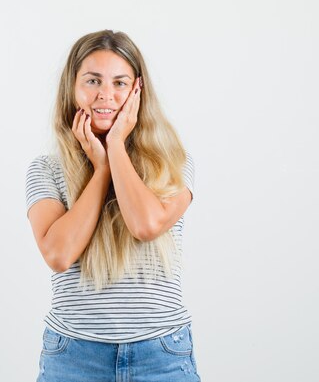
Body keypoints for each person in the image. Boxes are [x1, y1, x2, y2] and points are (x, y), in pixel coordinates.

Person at [25, 29, 201, 382]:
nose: (105, 95)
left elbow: (146, 225)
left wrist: (116, 145)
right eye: (93, 81)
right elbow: (58, 254)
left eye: (120, 83)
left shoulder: (174, 163)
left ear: (138, 91)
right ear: (72, 89)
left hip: (162, 355)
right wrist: (101, 169)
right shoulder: (46, 169)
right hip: (74, 357)